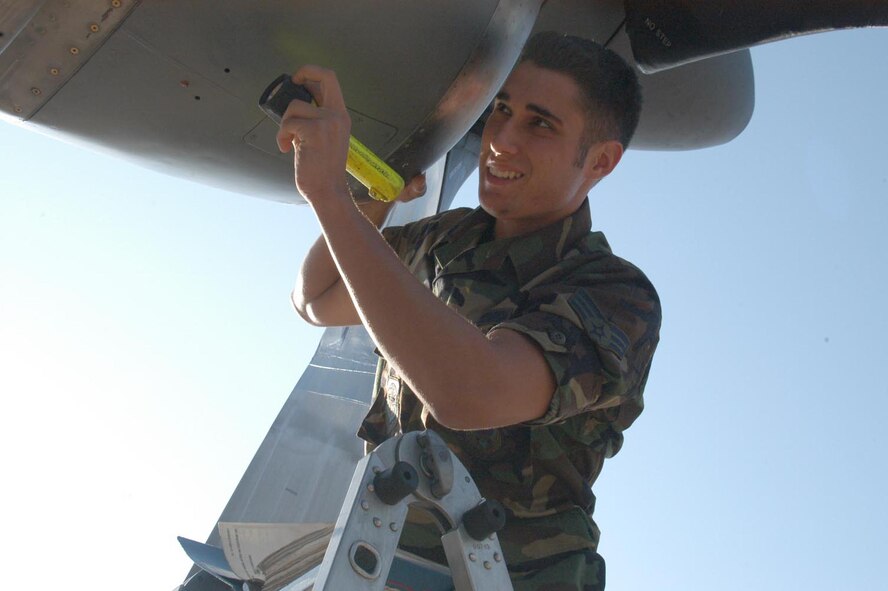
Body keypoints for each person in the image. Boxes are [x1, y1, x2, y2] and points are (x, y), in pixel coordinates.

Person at [280, 32, 660, 591]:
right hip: (383, 556)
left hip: (516, 576)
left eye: (540, 123)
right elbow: (317, 299)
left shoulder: (616, 294)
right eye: (500, 110)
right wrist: (375, 188)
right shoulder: (447, 239)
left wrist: (329, 198)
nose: (499, 140)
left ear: (601, 161)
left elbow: (470, 391)